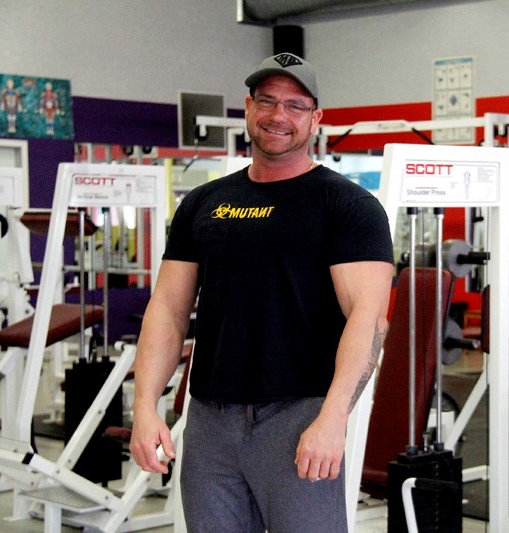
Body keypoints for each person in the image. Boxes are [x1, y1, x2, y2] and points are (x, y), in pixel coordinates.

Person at [129, 52, 395, 533]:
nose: (278, 116)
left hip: (298, 416)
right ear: (249, 108)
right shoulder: (204, 203)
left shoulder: (348, 206)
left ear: (316, 119)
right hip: (210, 417)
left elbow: (369, 319)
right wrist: (145, 407)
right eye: (267, 101)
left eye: (295, 106)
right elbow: (167, 310)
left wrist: (333, 418)